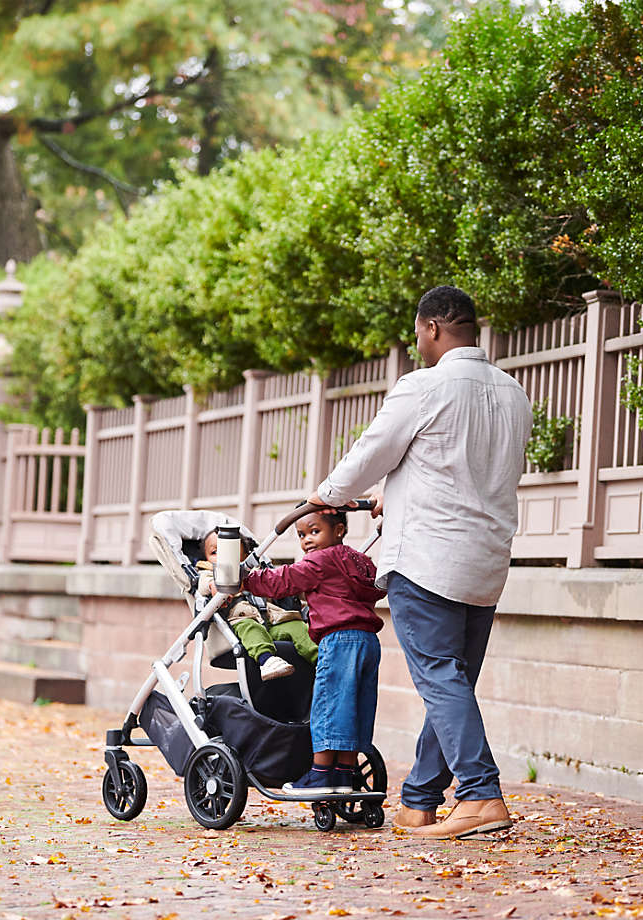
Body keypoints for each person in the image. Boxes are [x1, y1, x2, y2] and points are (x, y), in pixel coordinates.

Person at [308, 284, 532, 839]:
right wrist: (400, 492)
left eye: (417, 334)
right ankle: (420, 801)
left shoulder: (424, 387)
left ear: (432, 327)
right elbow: (467, 472)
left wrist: (325, 495)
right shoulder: (513, 393)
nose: (417, 344)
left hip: (429, 559)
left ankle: (480, 795)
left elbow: (370, 455)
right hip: (484, 563)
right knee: (451, 681)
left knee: (440, 679)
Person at [241, 510, 385, 795]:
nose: (307, 540)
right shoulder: (362, 562)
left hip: (338, 639)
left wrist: (246, 579)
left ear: (339, 530)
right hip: (367, 641)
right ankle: (344, 773)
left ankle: (320, 773)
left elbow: (284, 580)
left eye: (314, 531)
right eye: (301, 535)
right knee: (355, 707)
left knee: (329, 706)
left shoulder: (321, 560)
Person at [198, 529, 318, 681]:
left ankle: (321, 661)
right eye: (215, 552)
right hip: (242, 619)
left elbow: (275, 585)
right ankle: (267, 660)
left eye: (231, 549)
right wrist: (213, 585)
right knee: (251, 629)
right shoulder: (209, 572)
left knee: (297, 627)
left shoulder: (256, 570)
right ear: (206, 558)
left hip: (273, 619)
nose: (223, 556)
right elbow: (203, 583)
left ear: (244, 554)